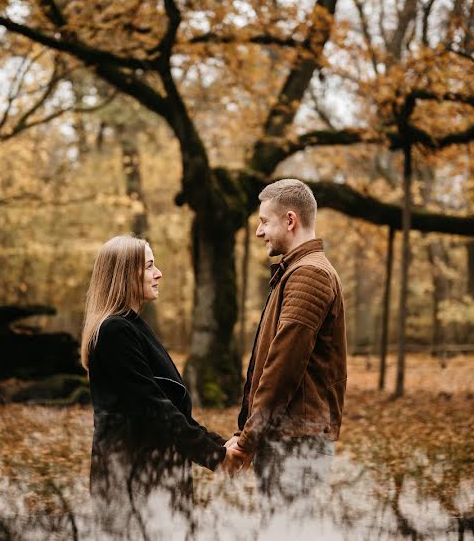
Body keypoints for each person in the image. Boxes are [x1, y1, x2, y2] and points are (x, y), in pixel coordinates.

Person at [81, 235, 244, 539]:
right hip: (132, 487)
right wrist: (216, 457)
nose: (159, 274)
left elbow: (169, 406)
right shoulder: (116, 332)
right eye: (150, 266)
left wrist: (220, 446)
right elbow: (153, 411)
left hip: (151, 483)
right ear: (125, 274)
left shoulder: (133, 327)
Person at [227, 179, 347, 508]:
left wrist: (248, 440)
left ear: (290, 220)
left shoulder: (310, 275)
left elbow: (282, 368)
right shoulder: (296, 271)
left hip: (296, 443)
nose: (258, 231)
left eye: (264, 222)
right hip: (288, 438)